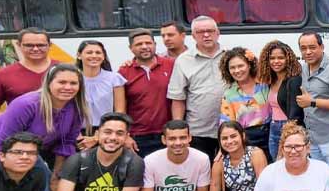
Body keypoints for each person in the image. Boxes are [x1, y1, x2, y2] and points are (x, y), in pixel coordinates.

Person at [280, 31, 329, 166]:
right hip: (312, 139)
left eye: (312, 47)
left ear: (322, 47)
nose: (308, 52)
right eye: (303, 48)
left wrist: (312, 102)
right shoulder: (304, 69)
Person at [167, 16, 226, 161]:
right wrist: (179, 130)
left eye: (210, 31)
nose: (206, 35)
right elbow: (177, 98)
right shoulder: (183, 60)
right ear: (193, 36)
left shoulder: (229, 56)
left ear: (218, 33)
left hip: (228, 130)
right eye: (200, 32)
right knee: (202, 174)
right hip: (198, 131)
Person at [118, 28, 175, 158]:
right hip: (137, 138)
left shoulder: (171, 65)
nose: (144, 47)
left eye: (148, 43)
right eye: (139, 44)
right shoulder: (124, 71)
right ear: (131, 48)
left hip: (167, 134)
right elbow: (120, 109)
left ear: (155, 45)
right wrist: (125, 135)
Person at [0, 27, 57, 120]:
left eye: (41, 45)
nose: (36, 49)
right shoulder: (3, 75)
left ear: (50, 45)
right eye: (29, 45)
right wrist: (10, 120)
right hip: (23, 132)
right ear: (19, 45)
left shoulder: (65, 71)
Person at [219, 47, 272, 159]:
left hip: (270, 136)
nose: (237, 70)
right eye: (232, 68)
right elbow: (226, 123)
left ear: (249, 65)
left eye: (240, 66)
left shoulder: (266, 84)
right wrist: (222, 148)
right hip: (246, 140)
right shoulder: (229, 94)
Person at [75, 40, 126, 151]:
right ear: (79, 55)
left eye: (98, 53)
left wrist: (97, 136)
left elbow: (120, 111)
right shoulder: (73, 78)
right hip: (76, 133)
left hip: (108, 132)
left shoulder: (115, 78)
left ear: (103, 56)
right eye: (89, 52)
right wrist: (77, 136)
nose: (94, 56)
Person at [257, 40, 301, 160]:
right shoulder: (271, 80)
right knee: (276, 165)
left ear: (288, 59)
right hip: (273, 127)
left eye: (281, 58)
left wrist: (289, 133)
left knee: (286, 162)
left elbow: (295, 113)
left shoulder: (293, 81)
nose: (276, 61)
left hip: (287, 127)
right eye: (272, 58)